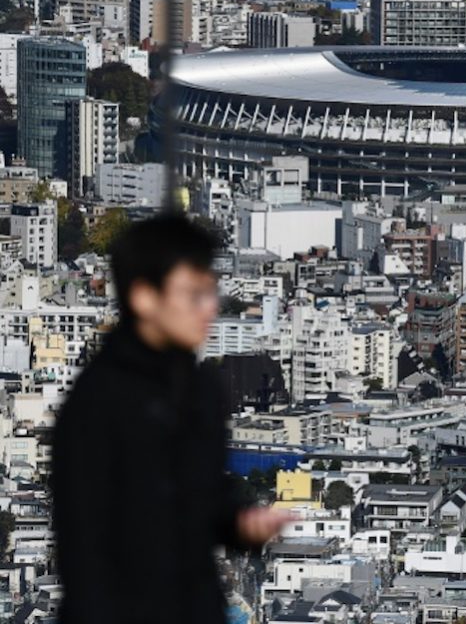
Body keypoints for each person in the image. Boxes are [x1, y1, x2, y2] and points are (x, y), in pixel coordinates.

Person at [52, 215, 293, 624]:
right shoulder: (97, 401)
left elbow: (200, 498)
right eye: (193, 294)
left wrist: (240, 523)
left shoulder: (199, 386)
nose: (210, 308)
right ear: (145, 297)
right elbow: (85, 545)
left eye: (210, 292)